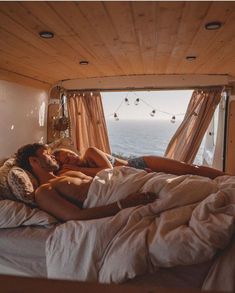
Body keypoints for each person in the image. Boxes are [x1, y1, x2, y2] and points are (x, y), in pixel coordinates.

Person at [15, 143, 157, 222]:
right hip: (123, 196)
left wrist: (134, 174)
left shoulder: (65, 174)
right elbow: (74, 215)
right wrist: (124, 204)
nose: (52, 156)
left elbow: (106, 174)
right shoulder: (43, 191)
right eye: (46, 154)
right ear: (34, 161)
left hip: (132, 180)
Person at [53, 146, 226, 179]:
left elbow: (108, 169)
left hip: (139, 164)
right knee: (185, 180)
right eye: (66, 160)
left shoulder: (89, 152)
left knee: (190, 169)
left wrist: (75, 167)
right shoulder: (78, 172)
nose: (70, 158)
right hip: (137, 177)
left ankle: (227, 177)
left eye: (68, 154)